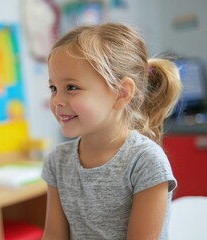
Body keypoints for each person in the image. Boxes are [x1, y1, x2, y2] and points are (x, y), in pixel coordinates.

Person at [42, 22, 182, 239]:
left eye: (71, 87)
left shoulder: (146, 162)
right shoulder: (57, 161)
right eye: (53, 88)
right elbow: (53, 235)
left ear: (122, 93)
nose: (57, 100)